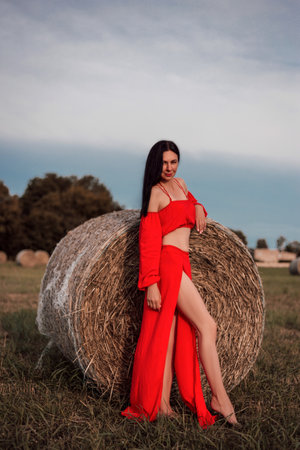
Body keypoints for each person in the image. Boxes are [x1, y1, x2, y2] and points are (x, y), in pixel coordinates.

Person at [122, 140, 238, 428]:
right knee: (207, 325)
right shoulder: (156, 194)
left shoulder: (182, 185)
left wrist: (198, 205)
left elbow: (196, 210)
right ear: (155, 164)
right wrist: (151, 284)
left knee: (170, 337)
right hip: (167, 263)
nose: (169, 168)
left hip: (182, 262)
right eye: (164, 163)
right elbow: (148, 241)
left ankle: (162, 405)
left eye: (174, 162)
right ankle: (220, 400)